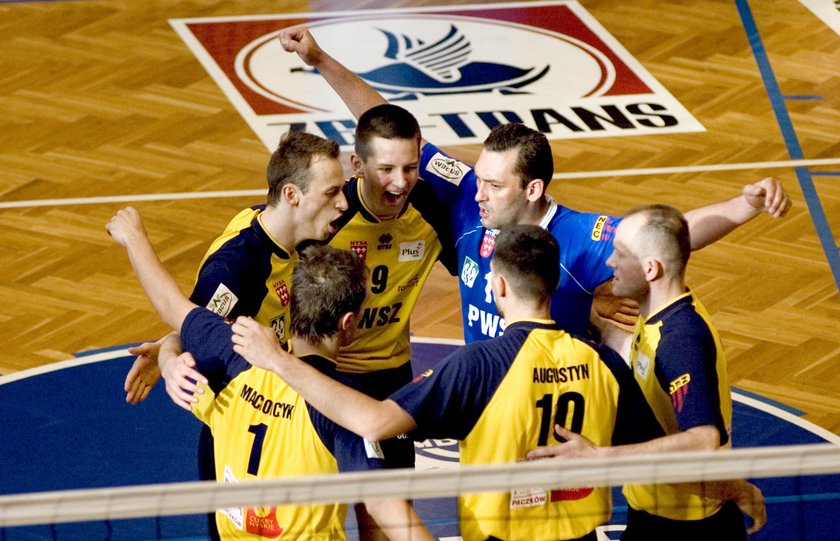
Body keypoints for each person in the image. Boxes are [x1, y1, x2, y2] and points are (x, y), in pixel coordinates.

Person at [277, 26, 792, 342]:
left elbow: (667, 234)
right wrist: (320, 61)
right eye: (480, 179)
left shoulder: (576, 237)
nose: (478, 193)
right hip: (484, 407)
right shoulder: (467, 196)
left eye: (494, 185)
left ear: (533, 190)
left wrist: (743, 206)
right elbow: (387, 126)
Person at [229, 225, 667, 541]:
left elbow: (375, 421)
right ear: (552, 284)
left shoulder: (479, 366)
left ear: (498, 286)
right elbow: (658, 454)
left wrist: (279, 362)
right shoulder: (603, 362)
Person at [107, 207, 432, 541]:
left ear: (294, 305)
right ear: (348, 324)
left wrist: (134, 237)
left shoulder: (236, 356)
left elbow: (170, 303)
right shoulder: (344, 408)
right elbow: (382, 504)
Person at [121, 130, 348, 539]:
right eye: (332, 193)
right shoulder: (237, 267)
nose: (343, 203)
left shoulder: (285, 228)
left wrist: (164, 349)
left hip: (285, 415)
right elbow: (190, 319)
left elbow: (195, 318)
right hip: (238, 432)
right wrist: (170, 355)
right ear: (292, 195)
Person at [526, 204, 766, 540]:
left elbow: (703, 439)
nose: (609, 263)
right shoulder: (659, 314)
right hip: (654, 512)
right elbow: (641, 358)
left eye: (620, 255)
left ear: (650, 268)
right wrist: (589, 320)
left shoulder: (680, 341)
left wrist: (599, 458)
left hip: (686, 527)